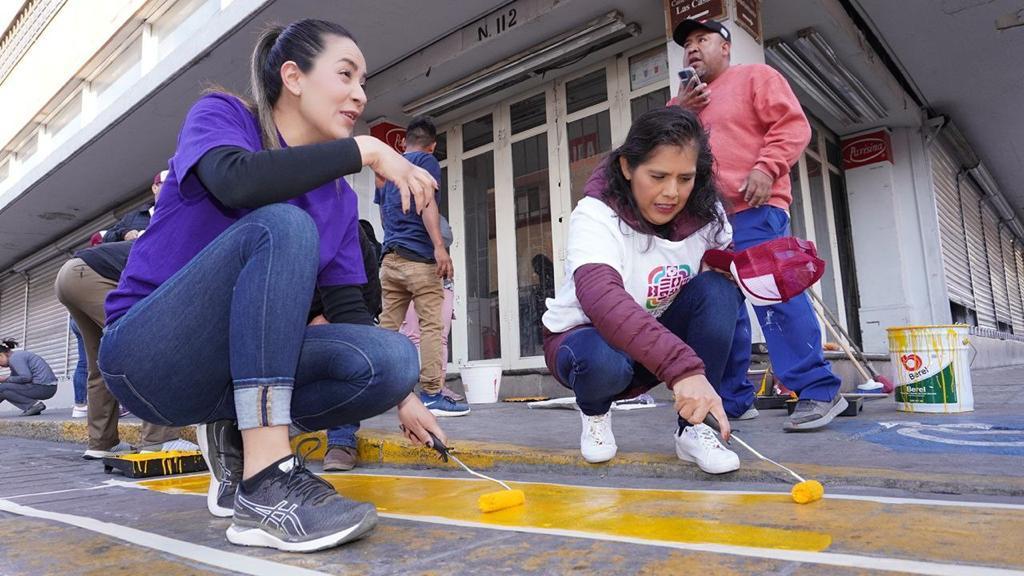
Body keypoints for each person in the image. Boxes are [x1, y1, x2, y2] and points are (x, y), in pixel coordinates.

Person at [97, 19, 446, 552]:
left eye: (364, 81)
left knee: (393, 359)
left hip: (226, 370)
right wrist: (368, 151)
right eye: (346, 75)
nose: (360, 94)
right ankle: (265, 482)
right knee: (281, 224)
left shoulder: (338, 199)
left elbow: (350, 309)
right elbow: (239, 182)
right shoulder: (224, 116)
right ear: (294, 76)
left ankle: (234, 431)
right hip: (148, 355)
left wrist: (406, 399)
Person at [542, 107, 742, 474]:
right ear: (627, 168)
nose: (672, 193)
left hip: (652, 345)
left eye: (685, 178)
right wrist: (683, 370)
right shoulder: (596, 214)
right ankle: (595, 411)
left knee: (719, 291)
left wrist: (758, 274)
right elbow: (602, 300)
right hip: (587, 342)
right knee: (604, 362)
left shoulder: (706, 213)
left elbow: (723, 268)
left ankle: (694, 429)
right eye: (658, 176)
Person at [672, 19, 846, 430]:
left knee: (773, 297)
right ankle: (733, 399)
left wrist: (767, 168)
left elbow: (792, 125)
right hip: (704, 224)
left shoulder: (755, 77)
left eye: (703, 40)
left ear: (727, 47)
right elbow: (658, 153)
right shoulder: (680, 104)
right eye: (688, 44)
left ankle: (818, 390)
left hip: (754, 208)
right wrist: (683, 111)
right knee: (719, 309)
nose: (693, 48)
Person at [55, 233, 198, 459]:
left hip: (69, 276)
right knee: (153, 349)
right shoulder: (186, 254)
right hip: (93, 276)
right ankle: (160, 440)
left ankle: (102, 443)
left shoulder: (164, 241)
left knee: (99, 363)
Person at [375, 117, 468, 417]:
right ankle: (431, 393)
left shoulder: (389, 169)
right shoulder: (425, 163)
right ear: (433, 146)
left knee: (389, 330)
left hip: (390, 258)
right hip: (419, 260)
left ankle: (376, 389)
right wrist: (440, 248)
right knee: (431, 327)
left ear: (404, 142)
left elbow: (384, 216)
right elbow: (428, 203)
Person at [102, 170, 164, 242]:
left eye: (175, 186)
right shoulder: (134, 216)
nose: (172, 189)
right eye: (168, 185)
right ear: (155, 188)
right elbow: (107, 237)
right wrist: (124, 234)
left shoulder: (179, 213)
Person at [0, 339, 57, 416]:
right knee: (4, 391)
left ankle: (33, 405)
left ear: (1, 355)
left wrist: (5, 379)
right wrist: (5, 380)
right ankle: (33, 406)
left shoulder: (15, 358)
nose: (0, 366)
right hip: (47, 387)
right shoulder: (16, 358)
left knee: (3, 387)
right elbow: (11, 383)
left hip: (44, 387)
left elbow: (26, 378)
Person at [70, 319, 88, 418]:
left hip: (76, 318)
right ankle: (121, 403)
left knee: (83, 363)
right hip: (91, 314)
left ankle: (80, 405)